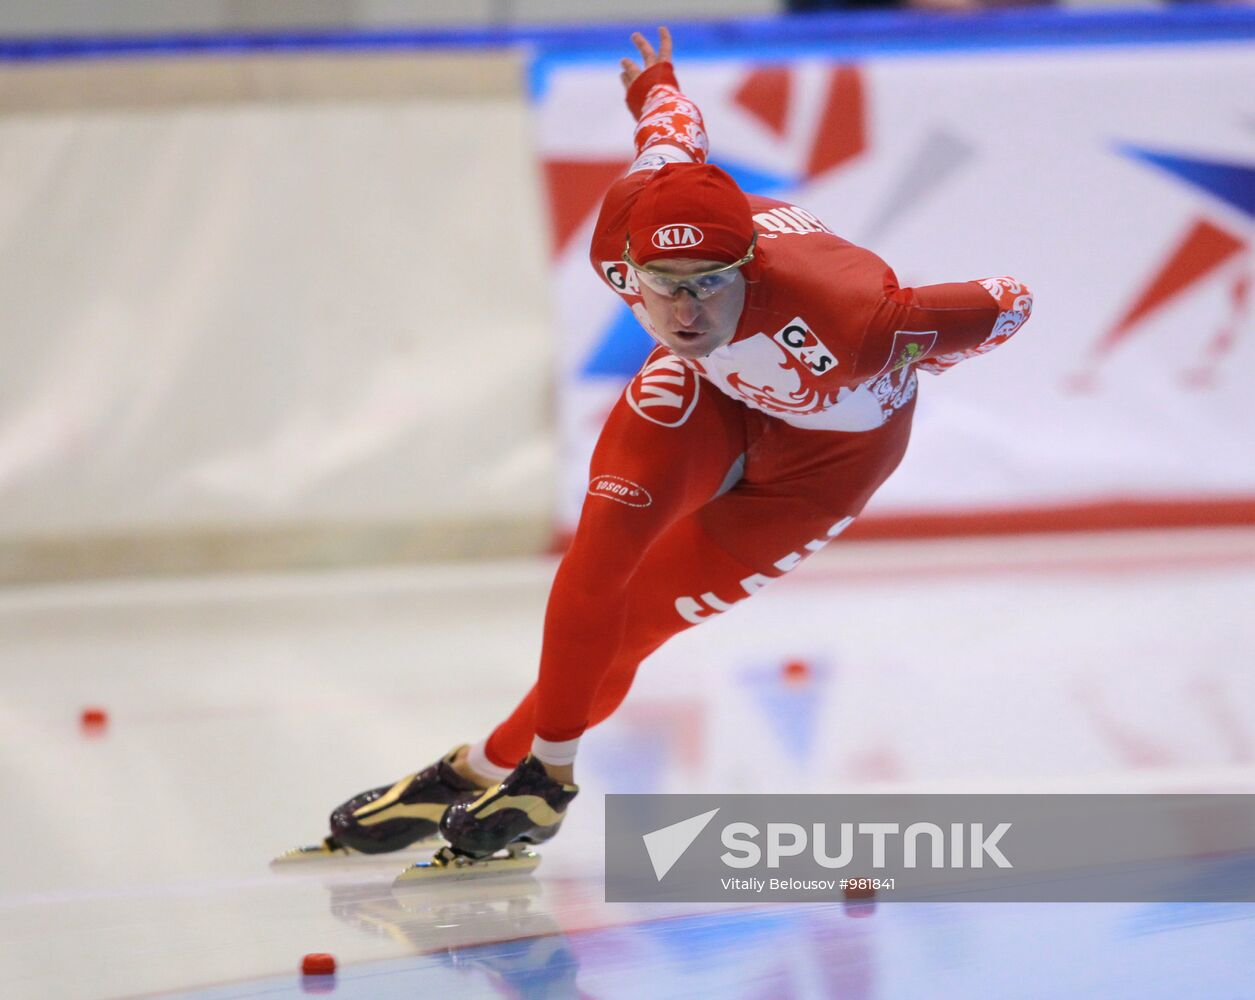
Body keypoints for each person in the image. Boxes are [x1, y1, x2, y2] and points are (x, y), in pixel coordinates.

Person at [323, 27, 1033, 867]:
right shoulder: (620, 235)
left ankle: (482, 765)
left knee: (637, 624)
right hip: (713, 395)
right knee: (599, 561)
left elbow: (1013, 299)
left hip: (827, 461)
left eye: (709, 285)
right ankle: (537, 779)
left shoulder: (858, 320)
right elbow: (669, 132)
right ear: (629, 268)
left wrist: (924, 355)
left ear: (751, 267)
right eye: (662, 288)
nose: (685, 313)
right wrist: (651, 80)